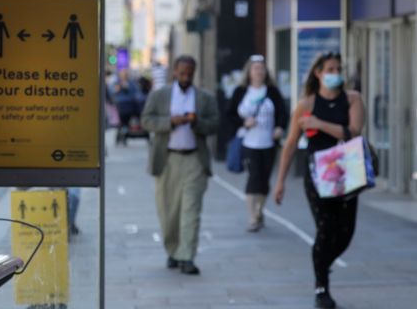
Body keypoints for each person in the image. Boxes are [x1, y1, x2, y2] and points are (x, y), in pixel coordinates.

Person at [273, 52, 365, 309]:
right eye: (330, 69)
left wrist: (318, 124)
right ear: (318, 73)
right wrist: (280, 182)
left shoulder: (353, 100)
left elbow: (353, 133)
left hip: (348, 173)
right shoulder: (306, 105)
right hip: (318, 175)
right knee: (325, 230)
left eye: (338, 68)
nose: (335, 73)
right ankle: (321, 286)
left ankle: (322, 263)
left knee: (345, 233)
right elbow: (290, 144)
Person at [141, 55, 219, 275]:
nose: (186, 77)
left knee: (191, 211)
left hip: (195, 160)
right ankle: (173, 250)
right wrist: (170, 122)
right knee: (168, 213)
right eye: (182, 73)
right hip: (167, 160)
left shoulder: (204, 98)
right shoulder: (159, 95)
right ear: (174, 71)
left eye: (189, 73)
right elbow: (146, 120)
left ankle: (187, 257)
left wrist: (196, 122)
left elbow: (215, 124)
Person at [226, 55, 288, 232]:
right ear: (249, 72)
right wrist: (244, 123)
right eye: (255, 68)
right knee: (253, 177)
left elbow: (282, 113)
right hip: (248, 142)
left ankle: (260, 209)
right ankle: (252, 216)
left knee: (264, 180)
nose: (259, 71)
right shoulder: (240, 92)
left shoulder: (272, 92)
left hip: (268, 142)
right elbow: (229, 115)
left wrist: (279, 127)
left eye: (262, 68)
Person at [113, 69, 139, 145]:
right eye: (123, 74)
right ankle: (120, 137)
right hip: (121, 106)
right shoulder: (118, 83)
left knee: (125, 123)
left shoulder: (131, 83)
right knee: (121, 123)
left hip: (129, 106)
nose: (124, 76)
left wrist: (127, 88)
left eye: (126, 74)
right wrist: (118, 88)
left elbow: (135, 92)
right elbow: (114, 93)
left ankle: (123, 137)